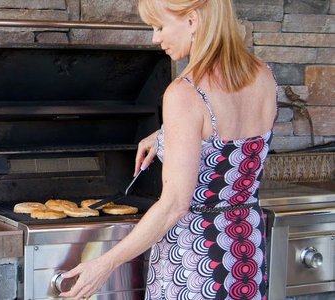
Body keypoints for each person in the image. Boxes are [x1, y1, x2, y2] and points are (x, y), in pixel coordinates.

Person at [59, 0, 277, 299]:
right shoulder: (263, 75)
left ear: (192, 20)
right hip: (245, 250)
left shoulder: (185, 93)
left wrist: (104, 263)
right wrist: (165, 135)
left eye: (159, 26)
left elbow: (174, 206)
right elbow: (226, 131)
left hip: (197, 259)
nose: (154, 37)